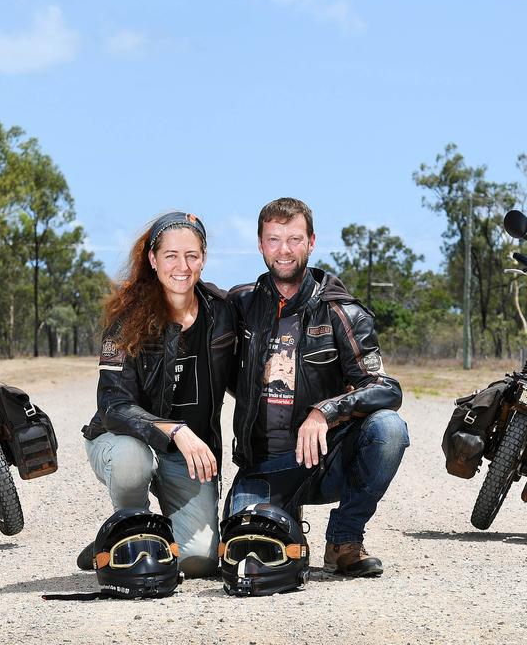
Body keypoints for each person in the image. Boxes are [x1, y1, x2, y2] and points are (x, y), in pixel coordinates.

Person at [226, 197, 407, 577]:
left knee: (389, 429)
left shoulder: (342, 311)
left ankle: (344, 540)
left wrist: (325, 411)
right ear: (260, 245)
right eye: (274, 240)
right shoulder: (240, 305)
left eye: (294, 239)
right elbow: (187, 304)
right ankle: (284, 515)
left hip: (325, 460)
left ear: (311, 242)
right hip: (264, 464)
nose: (284, 250)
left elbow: (386, 388)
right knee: (238, 558)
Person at [79, 212, 237, 577]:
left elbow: (250, 379)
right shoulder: (126, 320)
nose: (182, 266)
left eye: (191, 255)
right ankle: (126, 532)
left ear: (204, 258)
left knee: (200, 559)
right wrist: (176, 430)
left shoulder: (224, 313)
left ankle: (132, 539)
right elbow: (114, 407)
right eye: (171, 255)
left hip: (189, 456)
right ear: (153, 259)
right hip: (124, 440)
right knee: (132, 459)